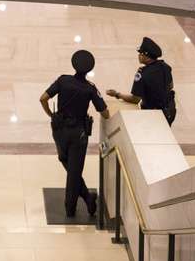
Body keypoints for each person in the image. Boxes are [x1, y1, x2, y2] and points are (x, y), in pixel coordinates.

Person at [40, 50, 110, 218]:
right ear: (89, 70)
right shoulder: (90, 88)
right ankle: (74, 206)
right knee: (74, 171)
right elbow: (105, 112)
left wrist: (51, 114)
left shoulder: (63, 80)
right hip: (78, 133)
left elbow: (43, 98)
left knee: (64, 160)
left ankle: (86, 197)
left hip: (59, 130)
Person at [106, 36, 176, 126]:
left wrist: (117, 94)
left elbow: (135, 99)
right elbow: (171, 86)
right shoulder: (165, 66)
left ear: (147, 57)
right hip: (169, 111)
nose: (139, 56)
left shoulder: (142, 74)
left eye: (141, 54)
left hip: (154, 115)